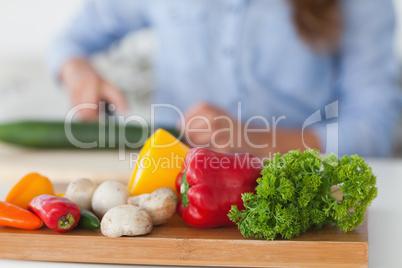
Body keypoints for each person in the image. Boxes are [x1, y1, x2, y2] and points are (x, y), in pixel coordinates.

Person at [49, 0, 400, 158]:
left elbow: (374, 128)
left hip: (291, 185)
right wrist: (78, 71)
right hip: (168, 180)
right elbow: (73, 39)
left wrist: (254, 140)